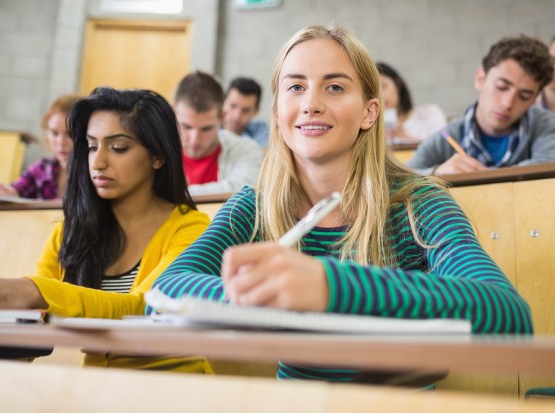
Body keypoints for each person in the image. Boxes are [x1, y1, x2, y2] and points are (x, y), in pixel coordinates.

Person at [148, 25, 533, 385]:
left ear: (369, 112)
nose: (311, 103)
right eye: (295, 87)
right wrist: (268, 299)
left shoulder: (420, 202)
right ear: (278, 114)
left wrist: (330, 287)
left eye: (334, 87)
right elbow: (163, 295)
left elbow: (509, 316)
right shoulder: (252, 206)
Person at [0, 87, 211, 372]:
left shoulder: (192, 227)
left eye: (118, 147)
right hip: (97, 387)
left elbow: (143, 308)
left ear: (157, 155)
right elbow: (36, 312)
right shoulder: (71, 229)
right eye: (92, 146)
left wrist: (31, 290)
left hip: (176, 384)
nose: (97, 163)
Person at [406, 35, 555, 176]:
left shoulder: (542, 123)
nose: (507, 103)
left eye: (524, 96)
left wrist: (489, 176)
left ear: (534, 99)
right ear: (480, 78)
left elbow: (554, 166)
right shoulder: (449, 135)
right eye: (501, 87)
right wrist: (436, 172)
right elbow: (402, 177)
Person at [174, 71, 265, 196]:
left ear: (222, 117)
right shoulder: (156, 150)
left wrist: (177, 194)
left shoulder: (247, 149)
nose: (195, 139)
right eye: (186, 127)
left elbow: (244, 191)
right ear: (173, 114)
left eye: (206, 129)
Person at [0, 94, 80, 199]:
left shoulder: (93, 174)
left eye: (70, 134)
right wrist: (3, 192)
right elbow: (16, 191)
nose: (61, 142)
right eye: (54, 133)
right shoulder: (42, 168)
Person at [376, 62, 447, 143]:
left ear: (398, 84)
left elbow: (443, 146)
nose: (380, 96)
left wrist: (407, 139)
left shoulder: (429, 113)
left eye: (383, 86)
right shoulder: (372, 128)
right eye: (373, 92)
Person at [222, 77, 270, 147]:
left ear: (256, 111)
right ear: (223, 102)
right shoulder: (208, 126)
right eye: (233, 106)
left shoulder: (260, 129)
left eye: (246, 110)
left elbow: (270, 153)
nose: (237, 116)